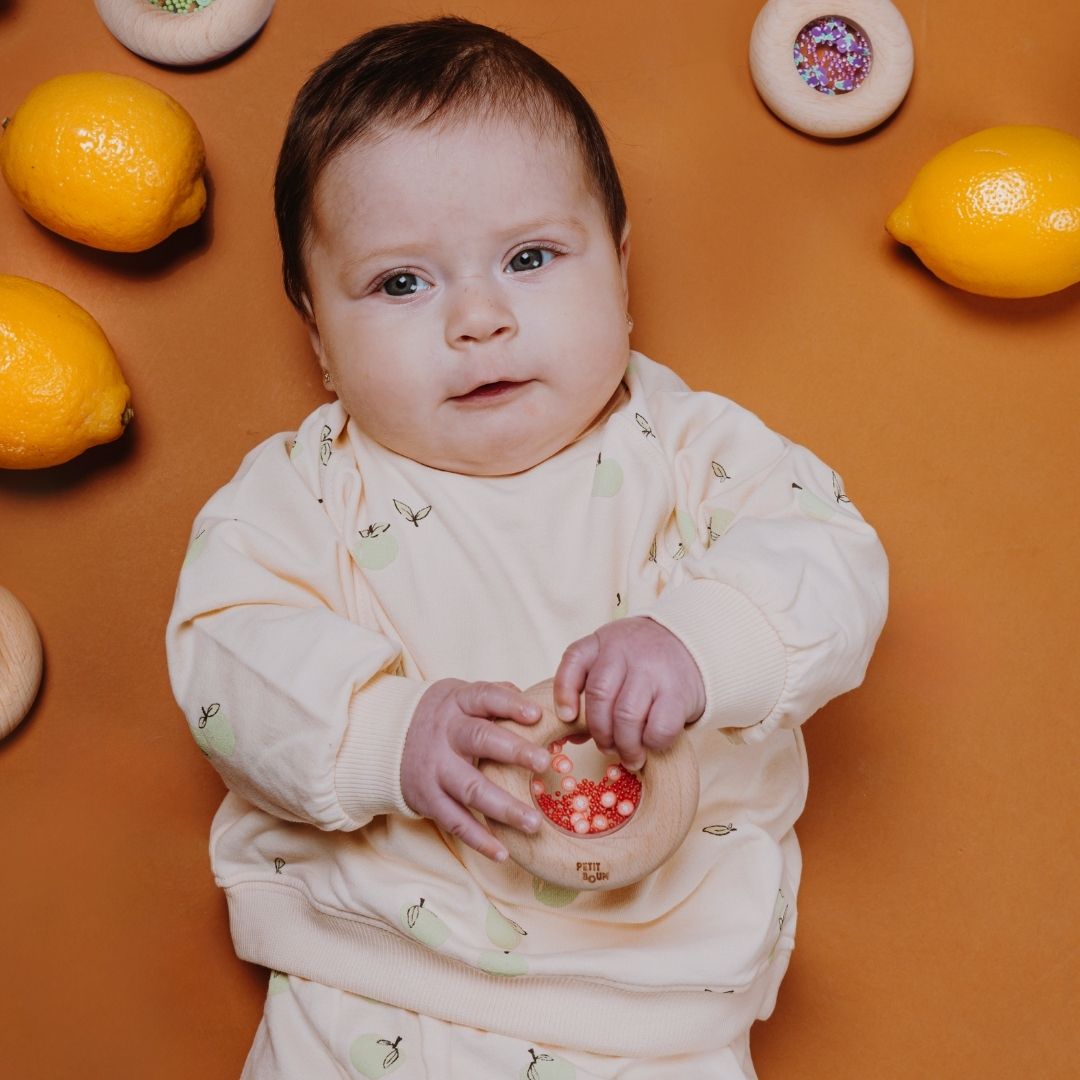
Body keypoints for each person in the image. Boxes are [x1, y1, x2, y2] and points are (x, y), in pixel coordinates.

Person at [166, 16, 888, 1078]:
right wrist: (386, 732)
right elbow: (227, 653)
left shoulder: (689, 449)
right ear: (318, 334)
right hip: (367, 986)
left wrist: (701, 644)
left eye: (531, 257)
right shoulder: (299, 491)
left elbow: (832, 555)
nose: (478, 318)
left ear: (622, 272)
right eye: (401, 283)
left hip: (652, 1012)